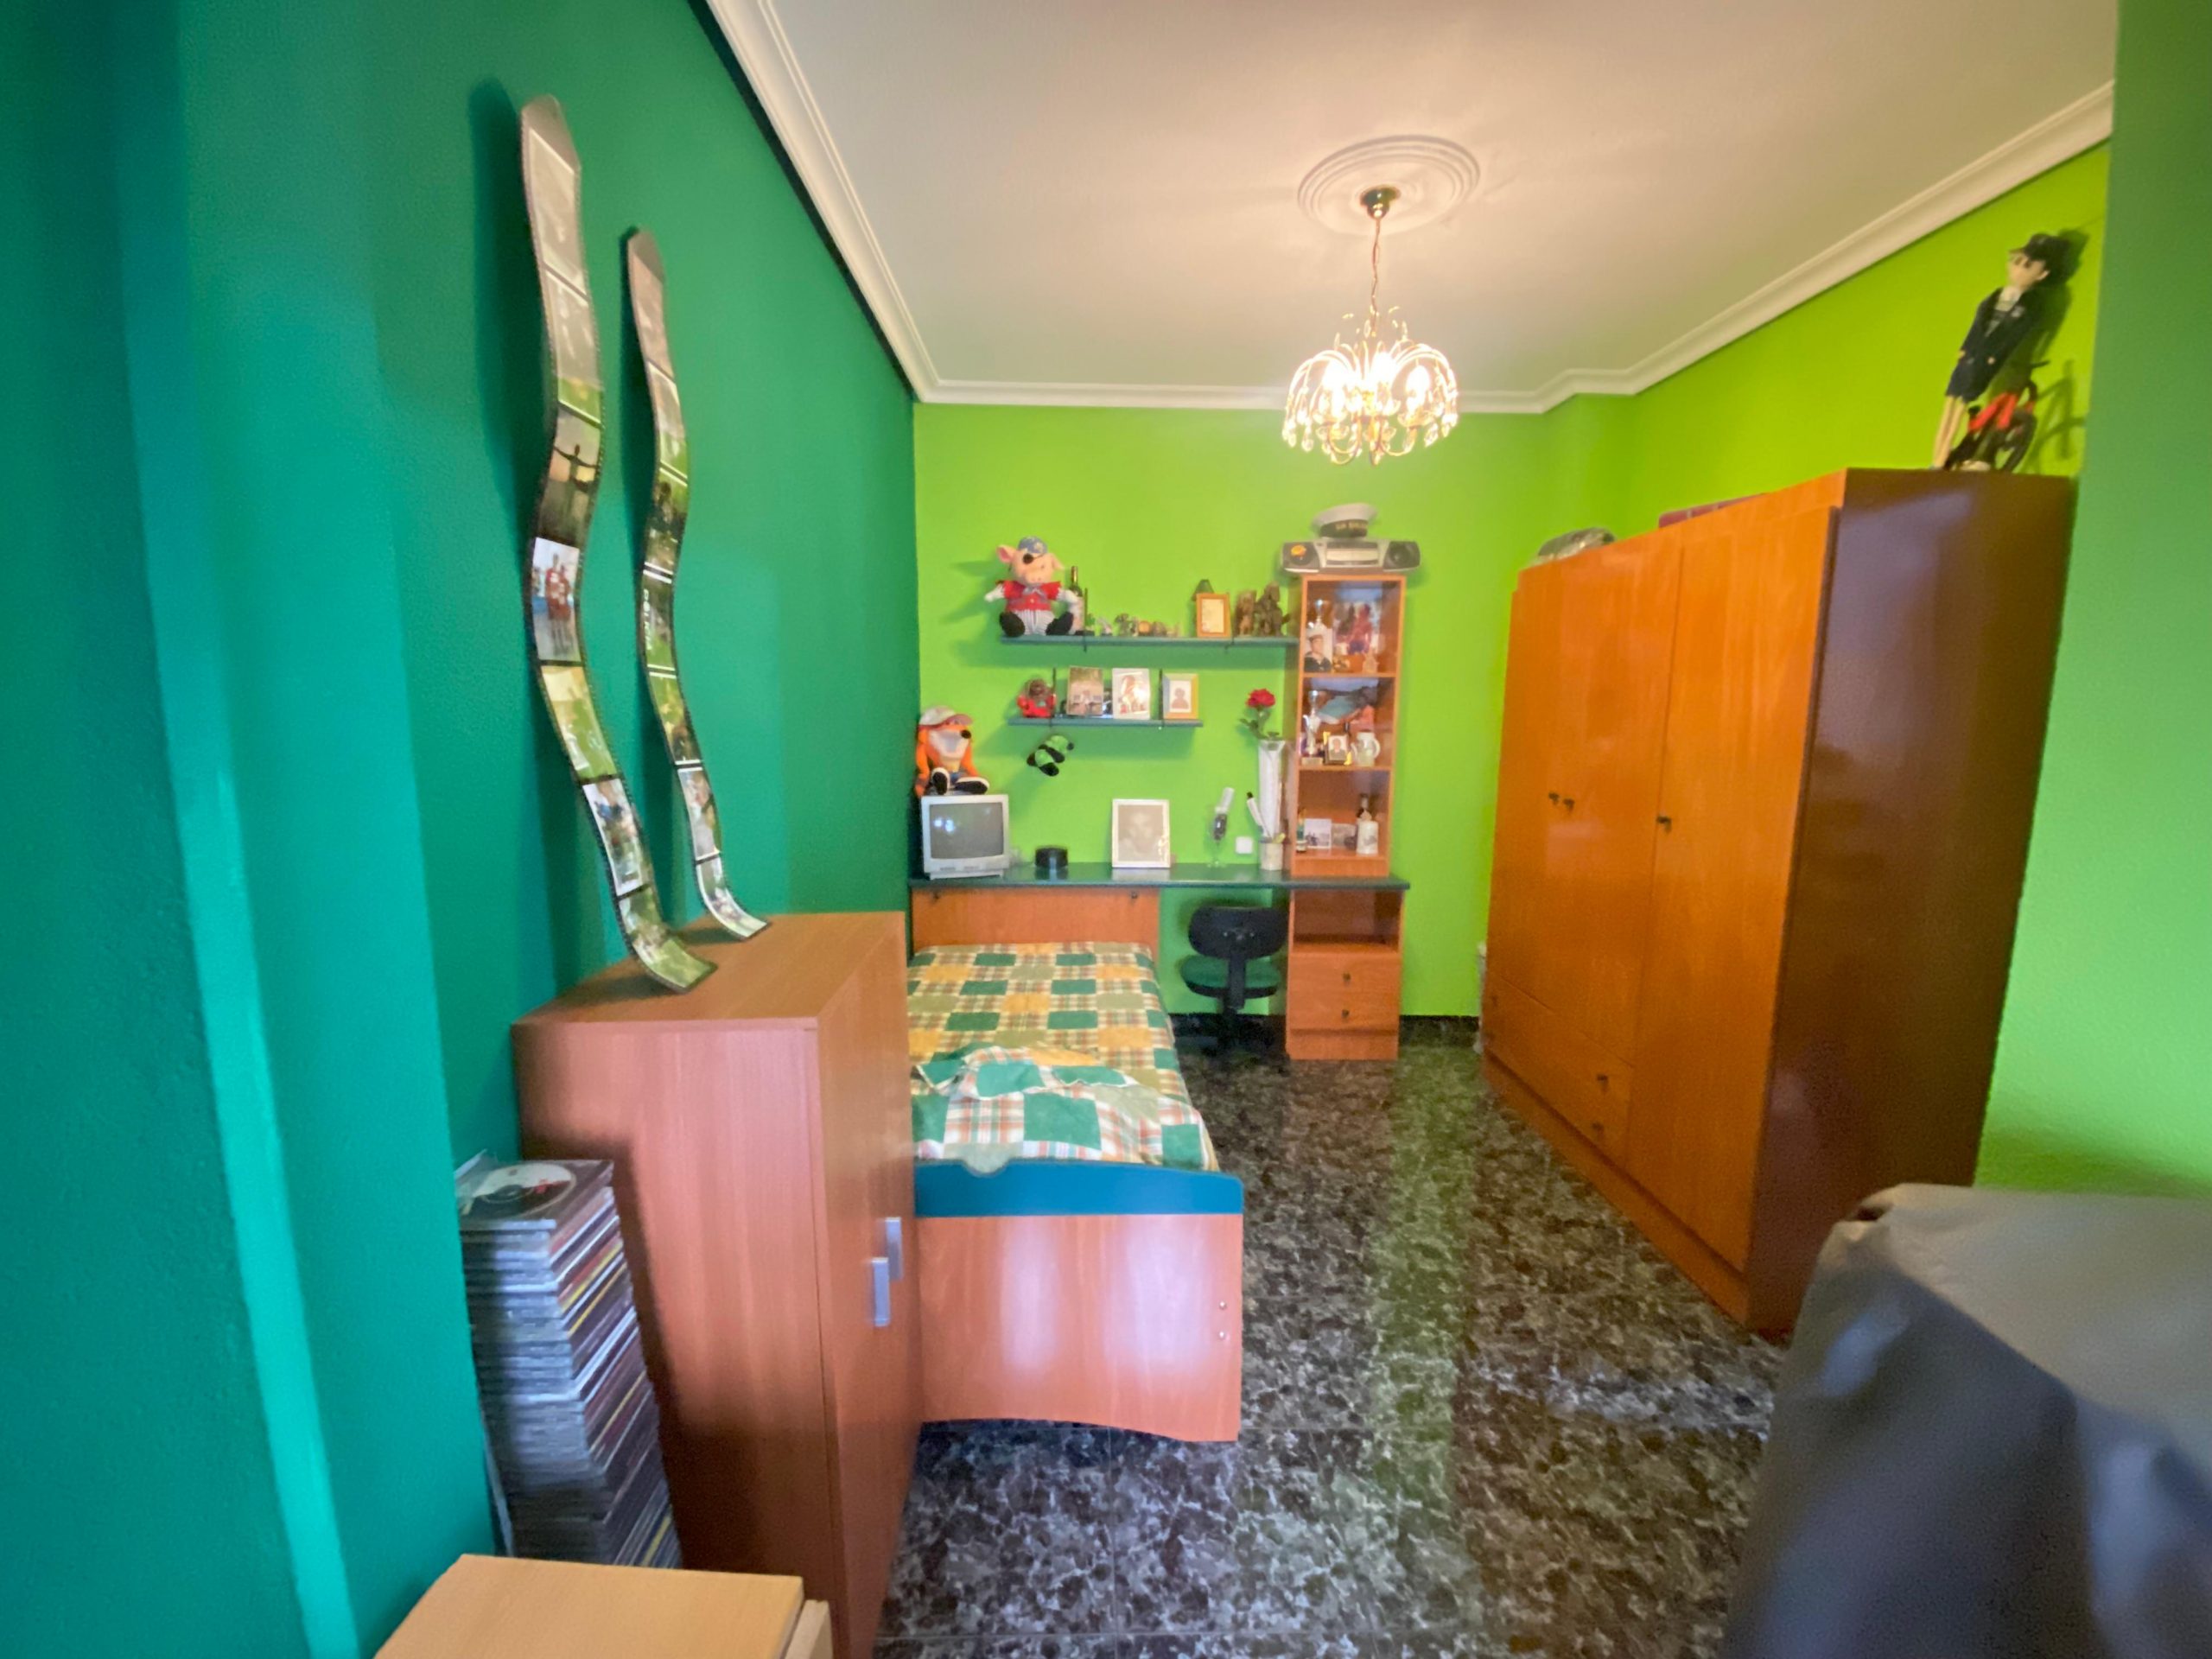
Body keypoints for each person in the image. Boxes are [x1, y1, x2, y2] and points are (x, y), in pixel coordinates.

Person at [1933, 233, 2068, 466]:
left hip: (1987, 358)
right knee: (1950, 400)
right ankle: (1936, 457)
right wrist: (1965, 347)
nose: (2019, 269)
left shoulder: (2031, 305)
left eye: (2028, 266)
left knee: (1962, 403)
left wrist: (1996, 357)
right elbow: (1977, 324)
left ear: (2042, 275)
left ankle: (1941, 458)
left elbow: (2015, 336)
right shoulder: (1995, 297)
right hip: (1971, 354)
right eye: (2017, 262)